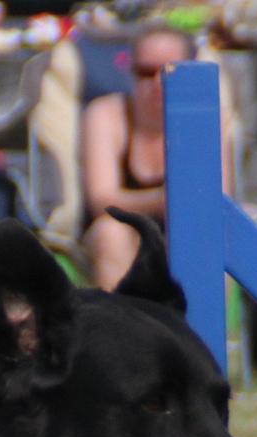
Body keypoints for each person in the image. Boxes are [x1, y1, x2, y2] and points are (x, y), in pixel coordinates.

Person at [80, 23, 200, 289]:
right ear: (131, 72)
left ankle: (203, 328)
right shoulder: (106, 115)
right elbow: (102, 200)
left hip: (186, 230)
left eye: (170, 71)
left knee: (207, 235)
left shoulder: (206, 119)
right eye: (146, 72)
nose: (158, 82)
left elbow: (219, 198)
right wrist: (162, 200)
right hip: (124, 230)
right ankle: (120, 328)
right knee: (110, 233)